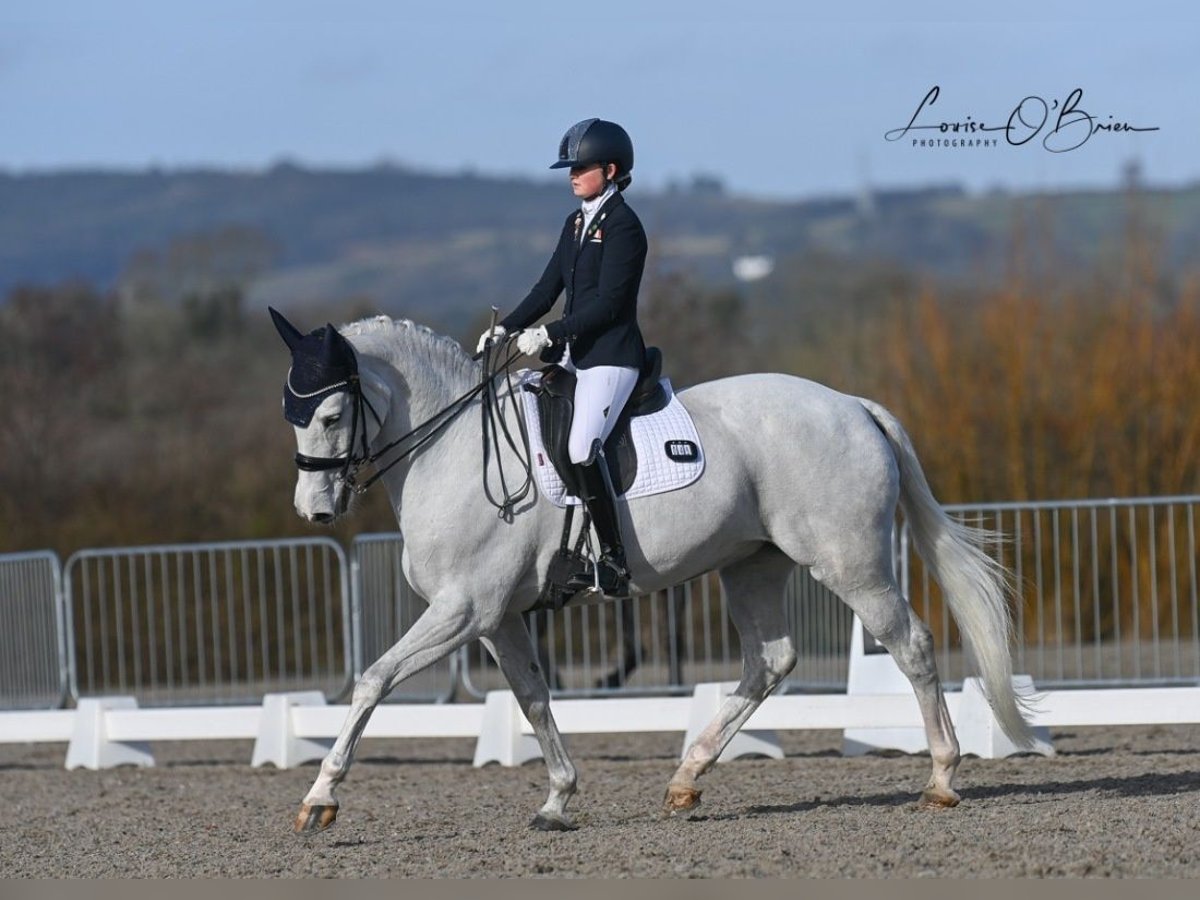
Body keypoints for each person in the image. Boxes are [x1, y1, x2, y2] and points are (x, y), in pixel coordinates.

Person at [476, 118, 648, 596]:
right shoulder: (575, 222)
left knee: (579, 447)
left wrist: (549, 333)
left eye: (581, 167)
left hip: (610, 359)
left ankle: (614, 560)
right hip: (576, 354)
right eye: (570, 168)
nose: (572, 175)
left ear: (610, 170)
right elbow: (547, 287)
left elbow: (609, 305)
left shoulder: (624, 228)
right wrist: (505, 329)